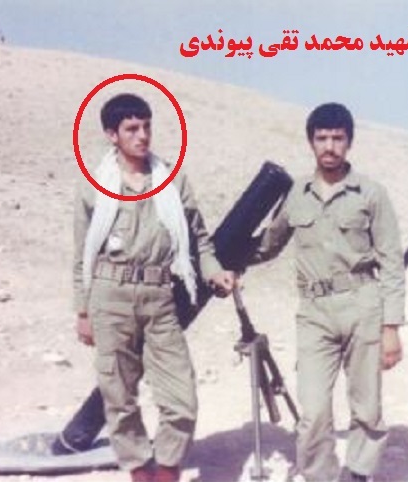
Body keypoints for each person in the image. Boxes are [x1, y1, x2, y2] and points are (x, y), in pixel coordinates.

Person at [73, 93, 235, 482]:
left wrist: (215, 272)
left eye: (146, 126)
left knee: (182, 400)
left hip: (160, 297)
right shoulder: (94, 184)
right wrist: (83, 310)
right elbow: (81, 254)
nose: (142, 136)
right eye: (131, 128)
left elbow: (199, 241)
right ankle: (140, 474)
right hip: (110, 296)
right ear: (112, 134)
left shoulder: (173, 180)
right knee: (119, 398)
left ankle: (166, 472)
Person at [254, 103, 405, 482]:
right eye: (322, 138)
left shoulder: (371, 194)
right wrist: (226, 264)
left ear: (349, 142)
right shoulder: (296, 194)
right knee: (314, 410)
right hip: (314, 312)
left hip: (362, 305)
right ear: (311, 142)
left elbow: (392, 264)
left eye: (338, 138)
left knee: (366, 407)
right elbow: (269, 245)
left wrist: (391, 327)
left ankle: (358, 473)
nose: (330, 146)